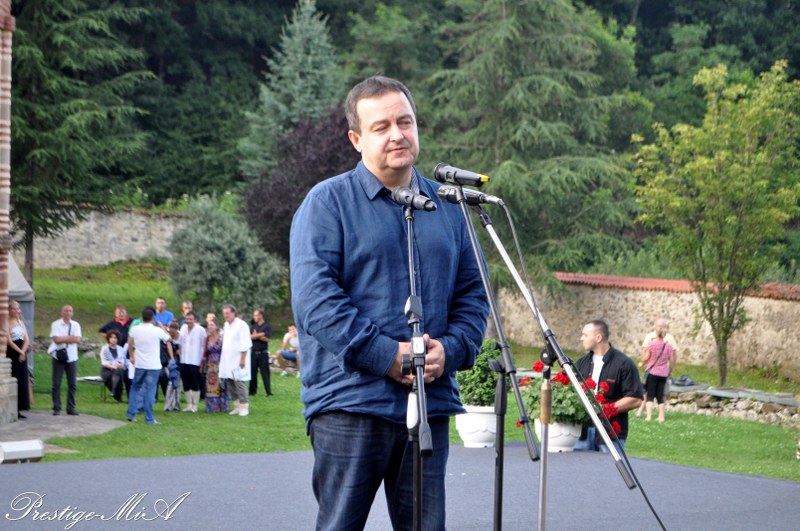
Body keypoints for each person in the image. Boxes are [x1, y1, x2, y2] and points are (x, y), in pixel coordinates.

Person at [290, 75, 488, 530]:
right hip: (350, 403)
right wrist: (386, 356)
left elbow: (475, 296)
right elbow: (316, 301)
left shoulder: (450, 206)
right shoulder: (327, 204)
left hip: (430, 401)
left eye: (405, 122)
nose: (397, 134)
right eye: (381, 127)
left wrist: (450, 350)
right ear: (356, 139)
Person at [574, 320, 643, 452]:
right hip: (581, 434)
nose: (581, 338)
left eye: (585, 335)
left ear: (598, 337)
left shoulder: (624, 364)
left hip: (610, 434)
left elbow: (635, 399)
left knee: (611, 466)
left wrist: (605, 410)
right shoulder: (581, 364)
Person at [127, 306, 173, 424]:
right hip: (153, 365)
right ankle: (149, 418)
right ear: (153, 317)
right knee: (150, 391)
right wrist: (162, 327)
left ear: (142, 317)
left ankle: (131, 413)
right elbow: (169, 339)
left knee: (135, 388)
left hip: (140, 363)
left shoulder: (135, 329)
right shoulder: (157, 330)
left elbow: (130, 343)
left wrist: (131, 356)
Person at [636, 318, 679, 418]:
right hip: (663, 373)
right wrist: (670, 370)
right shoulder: (668, 345)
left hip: (651, 371)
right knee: (660, 395)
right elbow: (672, 358)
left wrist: (642, 363)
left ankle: (648, 416)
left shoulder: (652, 343)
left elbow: (645, 356)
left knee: (649, 394)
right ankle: (661, 416)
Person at [219, 304, 253, 417]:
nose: (226, 316)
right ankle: (237, 406)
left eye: (228, 313)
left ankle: (244, 407)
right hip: (228, 359)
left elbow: (245, 343)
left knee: (239, 383)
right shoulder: (226, 325)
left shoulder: (242, 325)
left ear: (234, 313)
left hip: (238, 359)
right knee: (230, 383)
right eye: (224, 314)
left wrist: (242, 359)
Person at [48, 304, 82, 416]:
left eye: (70, 311)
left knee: (72, 384)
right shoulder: (55, 324)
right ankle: (56, 407)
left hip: (72, 357)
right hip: (58, 357)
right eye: (66, 311)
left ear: (72, 313)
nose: (68, 313)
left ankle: (71, 407)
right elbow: (56, 340)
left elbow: (78, 340)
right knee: (56, 383)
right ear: (62, 312)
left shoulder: (76, 325)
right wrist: (70, 338)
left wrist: (63, 338)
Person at [5, 300, 31, 418]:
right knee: (14, 376)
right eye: (14, 309)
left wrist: (23, 351)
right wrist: (20, 352)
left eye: (18, 308)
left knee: (22, 379)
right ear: (9, 310)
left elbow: (26, 339)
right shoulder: (6, 323)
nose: (16, 311)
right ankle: (12, 407)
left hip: (22, 351)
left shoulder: (20, 322)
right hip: (13, 352)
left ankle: (20, 407)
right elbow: (9, 341)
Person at [179, 311, 207, 411]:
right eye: (187, 319)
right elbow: (180, 342)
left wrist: (203, 358)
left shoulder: (200, 330)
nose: (189, 321)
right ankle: (188, 405)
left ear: (195, 320)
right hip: (184, 360)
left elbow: (204, 344)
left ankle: (195, 405)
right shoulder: (183, 328)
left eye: (191, 319)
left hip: (195, 360)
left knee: (195, 383)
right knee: (186, 383)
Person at [202, 319, 228, 413]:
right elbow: (205, 351)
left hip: (220, 363)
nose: (210, 326)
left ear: (216, 326)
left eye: (212, 325)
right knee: (211, 385)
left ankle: (222, 406)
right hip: (210, 364)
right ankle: (212, 407)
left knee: (221, 385)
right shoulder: (207, 337)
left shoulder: (221, 337)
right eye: (209, 325)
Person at [100, 330, 128, 402]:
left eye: (115, 338)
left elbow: (122, 360)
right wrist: (114, 367)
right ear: (108, 339)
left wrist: (120, 364)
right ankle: (117, 394)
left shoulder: (120, 349)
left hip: (118, 369)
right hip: (107, 369)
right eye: (111, 337)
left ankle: (114, 392)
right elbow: (104, 362)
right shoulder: (105, 349)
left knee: (119, 372)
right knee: (116, 373)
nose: (113, 339)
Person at [249, 308, 272, 396]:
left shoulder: (267, 326)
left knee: (265, 373)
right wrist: (262, 334)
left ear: (261, 316)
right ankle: (252, 391)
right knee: (252, 372)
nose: (254, 317)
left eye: (256, 315)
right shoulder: (253, 326)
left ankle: (268, 391)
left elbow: (267, 339)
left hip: (263, 353)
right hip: (254, 352)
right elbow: (250, 337)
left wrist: (256, 335)